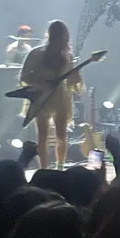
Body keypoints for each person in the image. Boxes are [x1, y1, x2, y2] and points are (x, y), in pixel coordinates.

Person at [20, 20, 83, 170]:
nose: (61, 41)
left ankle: (59, 167)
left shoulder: (67, 56)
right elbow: (24, 76)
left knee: (62, 136)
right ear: (50, 36)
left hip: (61, 98)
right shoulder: (36, 53)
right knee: (42, 137)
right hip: (41, 98)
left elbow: (73, 81)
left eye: (63, 38)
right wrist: (41, 82)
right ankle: (44, 169)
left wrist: (75, 76)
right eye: (58, 37)